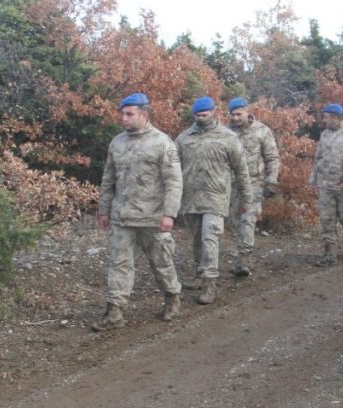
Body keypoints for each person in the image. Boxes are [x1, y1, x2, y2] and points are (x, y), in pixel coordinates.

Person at [92, 92, 184, 332]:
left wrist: (169, 214)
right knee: (118, 264)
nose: (124, 118)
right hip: (122, 216)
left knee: (161, 261)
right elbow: (108, 178)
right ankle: (115, 311)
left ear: (144, 115)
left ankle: (172, 297)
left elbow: (174, 181)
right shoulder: (117, 143)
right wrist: (103, 209)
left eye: (129, 114)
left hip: (152, 217)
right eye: (122, 113)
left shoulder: (162, 143)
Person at [176, 96, 251, 304]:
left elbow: (241, 170)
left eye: (205, 114)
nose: (201, 118)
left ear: (214, 112)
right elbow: (173, 170)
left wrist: (247, 199)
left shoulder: (228, 138)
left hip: (216, 198)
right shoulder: (183, 139)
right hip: (191, 199)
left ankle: (210, 283)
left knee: (210, 238)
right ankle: (200, 273)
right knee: (197, 239)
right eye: (198, 115)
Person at [227, 97, 280, 277]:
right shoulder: (226, 133)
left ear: (247, 111)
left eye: (238, 114)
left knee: (248, 219)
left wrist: (271, 181)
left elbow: (272, 158)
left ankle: (244, 259)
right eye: (232, 115)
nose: (235, 118)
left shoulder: (262, 131)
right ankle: (241, 252)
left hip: (254, 182)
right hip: (232, 184)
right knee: (235, 221)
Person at [309, 103, 343, 266]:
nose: (324, 121)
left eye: (326, 117)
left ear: (336, 118)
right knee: (327, 219)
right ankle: (329, 254)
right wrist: (314, 180)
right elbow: (318, 159)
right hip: (326, 185)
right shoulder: (325, 134)